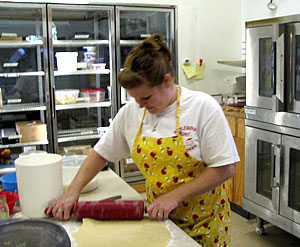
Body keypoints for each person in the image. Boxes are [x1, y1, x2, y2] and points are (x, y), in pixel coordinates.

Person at [46, 33, 239, 246]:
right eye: (135, 98)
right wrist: (72, 192)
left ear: (167, 81)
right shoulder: (131, 112)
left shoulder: (203, 108)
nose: (140, 105)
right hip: (158, 218)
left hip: (203, 223)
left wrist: (174, 197)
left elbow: (224, 168)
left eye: (146, 97)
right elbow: (101, 153)